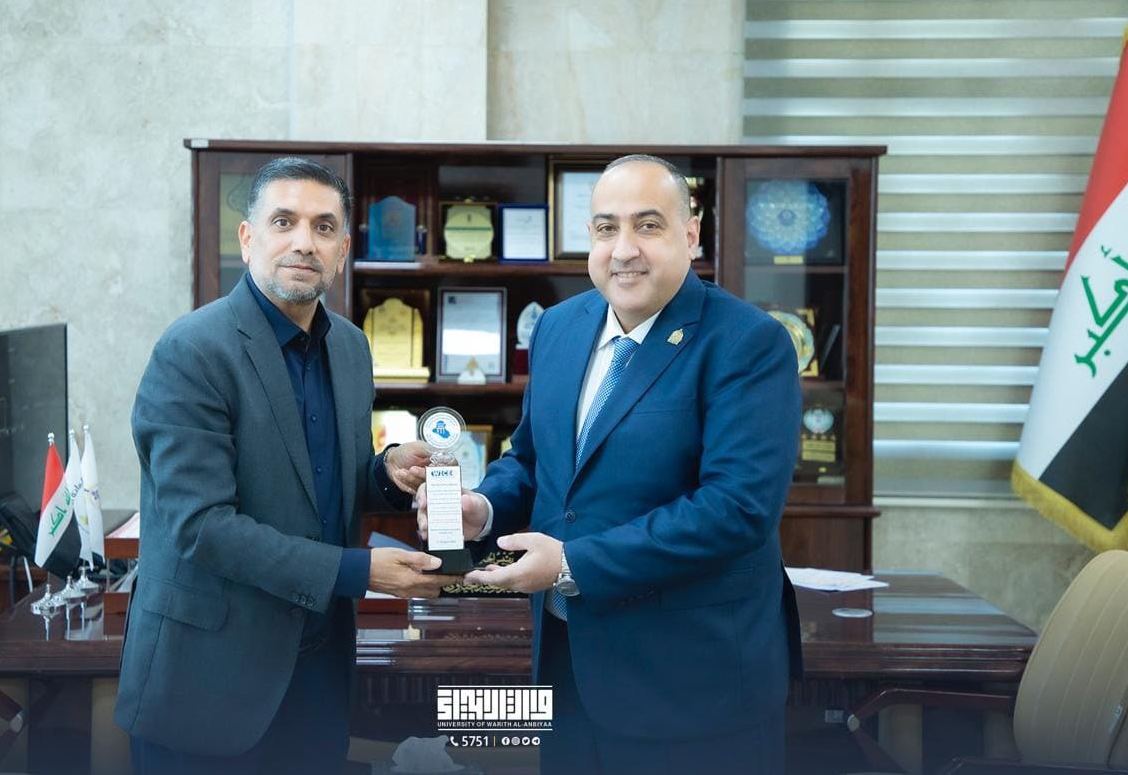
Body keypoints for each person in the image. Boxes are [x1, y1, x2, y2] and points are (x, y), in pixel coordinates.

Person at [419, 155, 803, 774]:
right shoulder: (559, 328)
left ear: (690, 234)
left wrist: (571, 563)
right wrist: (482, 508)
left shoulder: (747, 343)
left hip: (691, 686)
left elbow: (736, 509)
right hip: (568, 664)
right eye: (606, 228)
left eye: (648, 225)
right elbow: (534, 459)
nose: (624, 249)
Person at [115, 157, 458, 774]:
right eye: (284, 221)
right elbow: (202, 528)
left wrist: (386, 474)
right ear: (248, 239)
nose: (304, 241)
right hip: (209, 683)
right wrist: (360, 571)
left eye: (324, 227)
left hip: (318, 674)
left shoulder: (350, 347)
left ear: (343, 250)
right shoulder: (192, 351)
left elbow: (317, 483)